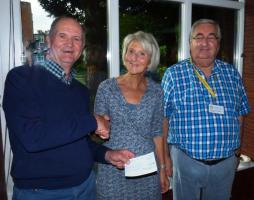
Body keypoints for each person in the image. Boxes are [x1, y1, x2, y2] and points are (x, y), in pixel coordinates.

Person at [2, 16, 134, 200]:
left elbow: (78, 139)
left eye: (77, 38)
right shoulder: (21, 79)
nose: (70, 44)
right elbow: (32, 138)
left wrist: (107, 155)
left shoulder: (79, 90)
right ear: (48, 39)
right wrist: (92, 121)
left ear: (82, 47)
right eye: (62, 36)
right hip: (41, 193)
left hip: (86, 187)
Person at [161, 18, 251, 200]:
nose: (204, 43)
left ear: (218, 43)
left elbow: (241, 113)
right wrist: (165, 160)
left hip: (225, 164)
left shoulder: (232, 74)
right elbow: (163, 119)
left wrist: (237, 152)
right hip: (186, 161)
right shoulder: (173, 75)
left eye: (211, 37)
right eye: (199, 37)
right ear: (190, 42)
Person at [94, 31, 169, 200]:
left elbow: (157, 133)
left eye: (142, 54)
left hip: (147, 170)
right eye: (131, 51)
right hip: (114, 167)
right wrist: (98, 128)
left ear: (150, 61)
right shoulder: (106, 88)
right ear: (124, 54)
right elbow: (96, 132)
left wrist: (163, 170)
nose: (134, 58)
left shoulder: (157, 91)